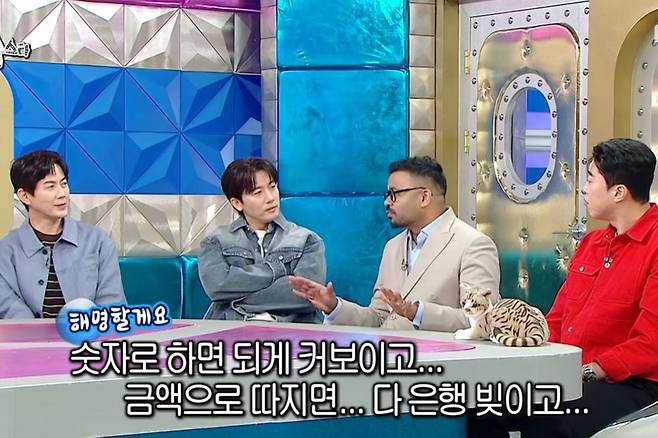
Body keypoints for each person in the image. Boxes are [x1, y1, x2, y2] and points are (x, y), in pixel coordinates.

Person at [469, 138, 658, 437]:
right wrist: (529, 355)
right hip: (572, 373)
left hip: (632, 383)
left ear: (619, 192)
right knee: (481, 404)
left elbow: (651, 342)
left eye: (591, 180)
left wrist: (589, 371)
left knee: (550, 416)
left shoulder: (654, 245)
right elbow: (557, 319)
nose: (584, 189)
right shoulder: (593, 243)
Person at [290, 156, 500, 331]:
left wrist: (416, 312)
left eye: (394, 194)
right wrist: (334, 307)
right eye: (387, 195)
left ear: (424, 197)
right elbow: (379, 317)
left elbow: (482, 319)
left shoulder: (473, 245)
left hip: (441, 362)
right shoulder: (393, 247)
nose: (386, 202)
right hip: (388, 358)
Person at [0, 150, 125, 319]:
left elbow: (111, 302)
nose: (62, 194)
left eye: (64, 184)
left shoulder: (98, 242)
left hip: (89, 333)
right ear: (25, 196)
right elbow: (9, 308)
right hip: (28, 335)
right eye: (50, 186)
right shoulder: (6, 250)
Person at [199, 157, 325, 322]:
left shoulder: (307, 240)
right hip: (232, 329)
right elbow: (218, 287)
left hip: (291, 331)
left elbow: (307, 295)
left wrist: (235, 301)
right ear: (237, 203)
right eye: (258, 192)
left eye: (272, 187)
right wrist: (277, 271)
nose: (270, 197)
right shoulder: (216, 241)